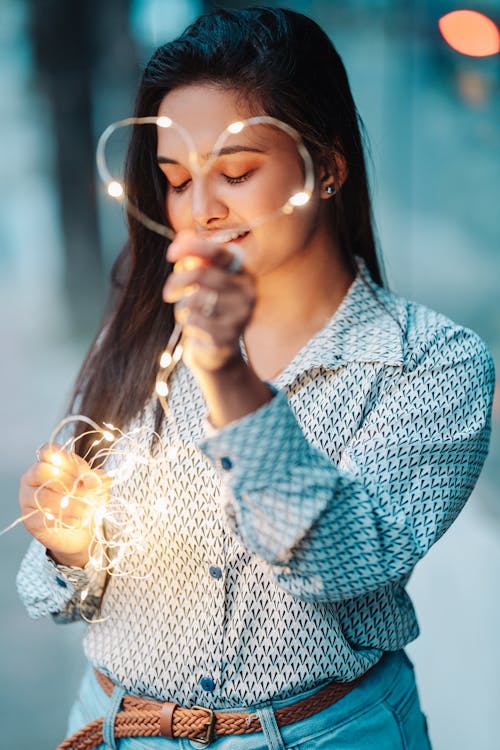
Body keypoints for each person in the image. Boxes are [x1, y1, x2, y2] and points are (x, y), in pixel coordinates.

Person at [16, 6, 494, 750]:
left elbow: (342, 565)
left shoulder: (433, 364)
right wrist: (70, 546)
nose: (201, 210)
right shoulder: (141, 330)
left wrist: (228, 378)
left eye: (235, 173)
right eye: (175, 180)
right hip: (112, 727)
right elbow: (59, 592)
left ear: (328, 167)